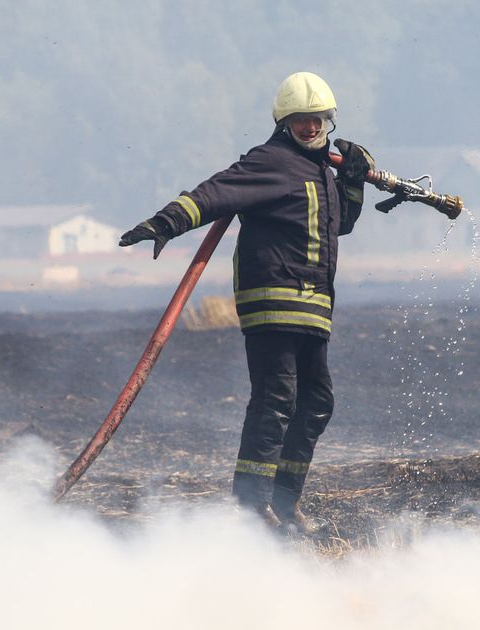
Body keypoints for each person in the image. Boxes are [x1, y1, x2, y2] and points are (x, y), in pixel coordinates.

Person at [118, 71, 374, 532]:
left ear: (328, 122)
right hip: (274, 301)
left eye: (317, 120)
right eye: (300, 120)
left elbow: (340, 224)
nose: (310, 127)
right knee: (276, 399)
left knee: (316, 402)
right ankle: (252, 508)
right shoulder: (271, 162)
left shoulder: (321, 171)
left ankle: (285, 503)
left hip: (314, 307)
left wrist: (353, 182)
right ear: (283, 122)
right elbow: (215, 192)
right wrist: (165, 223)